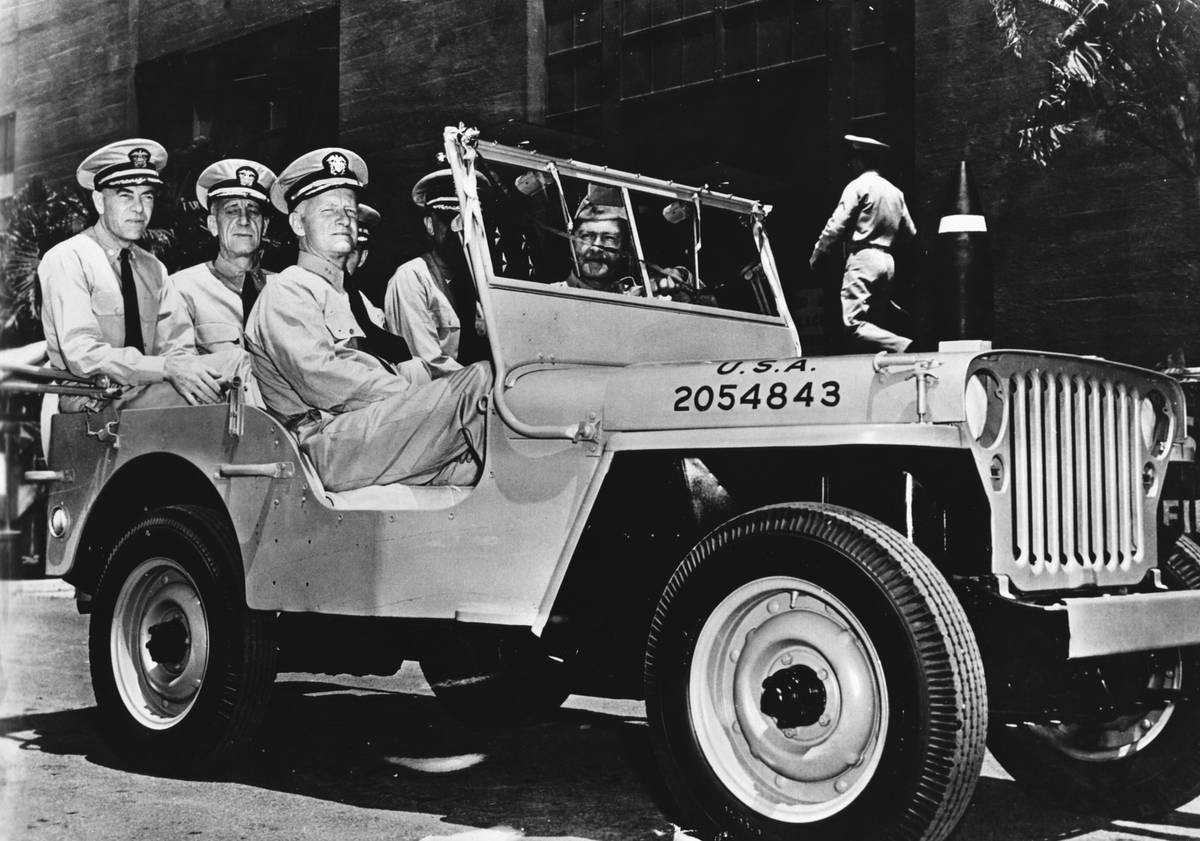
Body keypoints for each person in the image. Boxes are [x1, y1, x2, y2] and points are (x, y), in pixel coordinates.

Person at [244, 148, 492, 492]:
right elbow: (323, 377)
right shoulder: (288, 290)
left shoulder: (345, 295)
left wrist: (422, 385)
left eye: (349, 210)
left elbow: (378, 362)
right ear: (299, 223)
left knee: (489, 465)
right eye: (329, 210)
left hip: (364, 431)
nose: (344, 219)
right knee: (480, 381)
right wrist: (417, 395)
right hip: (326, 443)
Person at [38, 138, 224, 411]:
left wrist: (182, 370)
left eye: (146, 196)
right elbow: (83, 354)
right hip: (93, 401)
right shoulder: (68, 259)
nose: (139, 208)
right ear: (100, 201)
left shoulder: (153, 269)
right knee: (227, 387)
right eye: (126, 195)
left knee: (232, 366)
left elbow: (179, 347)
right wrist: (165, 368)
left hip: (146, 393)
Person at [154, 158, 278, 404]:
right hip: (219, 423)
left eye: (253, 211)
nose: (244, 220)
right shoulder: (181, 289)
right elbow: (179, 373)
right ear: (213, 225)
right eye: (232, 210)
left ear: (264, 226)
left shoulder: (288, 288)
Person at [810, 134, 918, 353]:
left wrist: (818, 252)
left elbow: (836, 224)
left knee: (853, 324)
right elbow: (910, 232)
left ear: (860, 160)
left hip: (863, 257)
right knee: (874, 325)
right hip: (887, 261)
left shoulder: (858, 186)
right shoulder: (895, 192)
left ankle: (904, 346)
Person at [384, 170, 487, 378]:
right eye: (450, 218)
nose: (460, 229)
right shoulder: (412, 277)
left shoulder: (480, 281)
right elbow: (428, 363)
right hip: (441, 395)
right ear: (430, 225)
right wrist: (484, 381)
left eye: (468, 220)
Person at [557, 186, 692, 300]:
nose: (596, 248)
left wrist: (680, 277)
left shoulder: (643, 297)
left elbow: (704, 301)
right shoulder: (545, 294)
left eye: (608, 238)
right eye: (586, 236)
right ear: (572, 243)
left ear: (626, 248)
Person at [344, 203, 413, 365]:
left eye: (351, 253)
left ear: (362, 258)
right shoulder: (304, 294)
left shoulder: (372, 313)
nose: (341, 259)